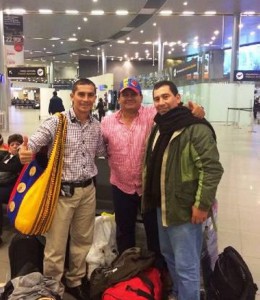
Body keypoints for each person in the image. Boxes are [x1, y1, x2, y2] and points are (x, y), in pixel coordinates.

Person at [19, 78, 106, 300]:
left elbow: (101, 151)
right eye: (81, 94)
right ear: (72, 96)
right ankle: (51, 287)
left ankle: (75, 281)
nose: (86, 99)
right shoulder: (57, 122)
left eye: (90, 95)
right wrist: (26, 150)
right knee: (55, 246)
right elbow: (35, 141)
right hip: (62, 193)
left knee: (82, 241)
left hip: (88, 192)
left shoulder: (96, 125)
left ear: (95, 98)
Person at [101, 78, 205, 261]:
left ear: (141, 97)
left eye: (133, 94)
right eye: (125, 94)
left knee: (155, 232)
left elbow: (176, 111)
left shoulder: (153, 115)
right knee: (124, 232)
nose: (129, 98)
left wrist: (197, 111)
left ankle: (157, 272)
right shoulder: (107, 123)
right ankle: (127, 269)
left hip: (148, 188)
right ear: (118, 99)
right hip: (121, 186)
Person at [142, 80, 224, 300]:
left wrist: (202, 204)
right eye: (157, 98)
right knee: (170, 256)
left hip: (185, 209)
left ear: (178, 98)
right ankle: (179, 294)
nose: (161, 102)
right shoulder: (158, 126)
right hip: (163, 205)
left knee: (187, 266)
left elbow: (212, 169)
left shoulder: (195, 128)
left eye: (166, 97)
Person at [0, 134, 23, 245]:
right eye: (12, 144)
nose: (14, 146)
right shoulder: (5, 156)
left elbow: (13, 168)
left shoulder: (20, 159)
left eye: (17, 144)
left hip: (10, 187)